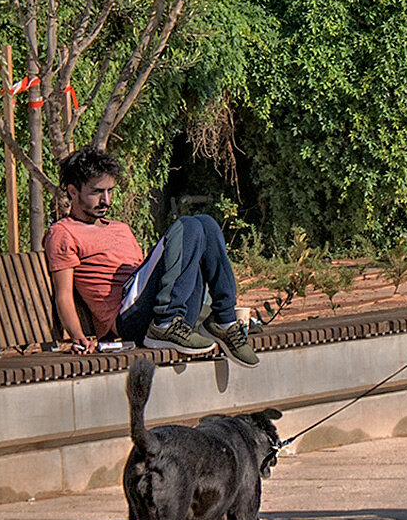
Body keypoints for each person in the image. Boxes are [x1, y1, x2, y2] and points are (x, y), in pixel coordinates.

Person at [44, 147, 259, 367]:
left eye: (110, 191)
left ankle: (224, 321)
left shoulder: (120, 228)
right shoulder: (64, 232)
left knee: (206, 223)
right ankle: (165, 323)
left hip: (158, 309)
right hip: (131, 320)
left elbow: (152, 277)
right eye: (97, 192)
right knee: (188, 226)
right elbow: (63, 293)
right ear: (72, 192)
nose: (106, 200)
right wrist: (78, 336)